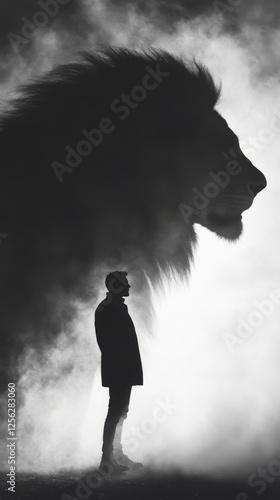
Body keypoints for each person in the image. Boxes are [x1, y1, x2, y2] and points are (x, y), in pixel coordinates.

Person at [95, 271, 143, 473]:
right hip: (119, 368)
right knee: (115, 412)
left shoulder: (114, 307)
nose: (129, 287)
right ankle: (107, 458)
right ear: (116, 285)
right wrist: (122, 365)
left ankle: (115, 454)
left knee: (120, 411)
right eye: (125, 284)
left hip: (123, 368)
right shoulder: (108, 309)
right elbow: (107, 343)